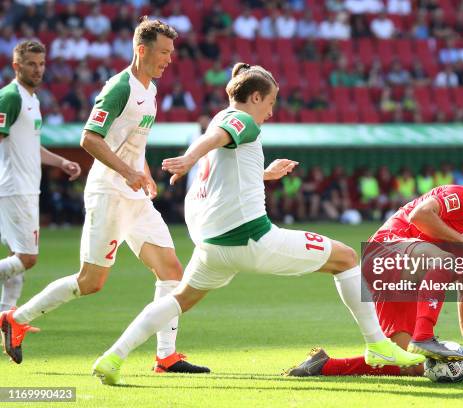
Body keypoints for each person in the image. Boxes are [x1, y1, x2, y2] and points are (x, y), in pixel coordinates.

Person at [91, 62, 425, 385]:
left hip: (213, 248)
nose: (271, 111)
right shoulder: (241, 121)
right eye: (270, 102)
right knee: (347, 257)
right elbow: (218, 138)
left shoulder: (220, 119)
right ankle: (378, 346)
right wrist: (189, 157)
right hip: (252, 239)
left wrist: (263, 173)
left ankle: (113, 356)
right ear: (254, 97)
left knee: (178, 300)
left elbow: (224, 168)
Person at [0, 18, 209, 375]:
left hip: (133, 196)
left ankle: (166, 356)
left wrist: (141, 172)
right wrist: (128, 172)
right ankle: (16, 319)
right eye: (163, 52)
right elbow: (90, 138)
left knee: (172, 271)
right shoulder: (119, 88)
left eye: (171, 53)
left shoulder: (151, 90)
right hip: (108, 194)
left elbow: (131, 142)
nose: (169, 60)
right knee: (91, 282)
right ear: (142, 50)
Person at [286, 167, 463, 377]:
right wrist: (462, 242)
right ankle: (424, 336)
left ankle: (323, 365)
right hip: (385, 251)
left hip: (407, 280)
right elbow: (420, 215)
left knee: (408, 365)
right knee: (446, 261)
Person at [0, 40, 81, 312]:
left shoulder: (31, 99)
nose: (38, 70)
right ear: (16, 65)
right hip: (14, 188)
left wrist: (61, 162)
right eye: (31, 64)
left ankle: (5, 319)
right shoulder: (10, 97)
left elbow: (31, 144)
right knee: (27, 258)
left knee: (16, 257)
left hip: (26, 188)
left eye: (41, 64)